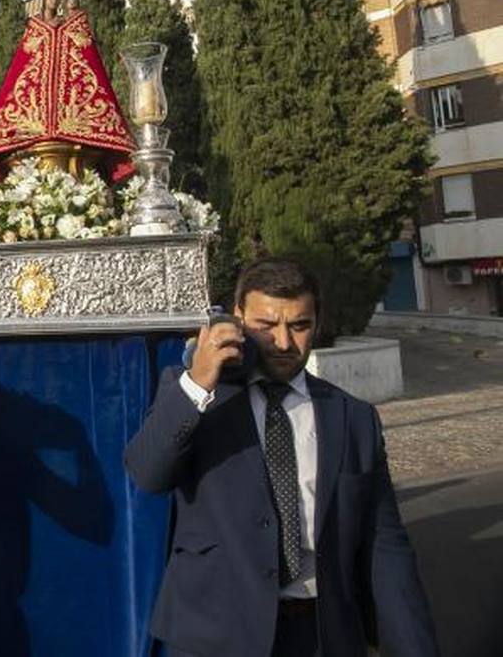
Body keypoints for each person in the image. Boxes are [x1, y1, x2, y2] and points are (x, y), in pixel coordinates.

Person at [124, 258, 438, 657]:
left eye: (299, 326)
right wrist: (198, 382)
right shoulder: (198, 397)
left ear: (317, 322)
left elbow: (386, 548)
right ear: (237, 319)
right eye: (266, 326)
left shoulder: (354, 418)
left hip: (324, 636)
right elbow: (147, 473)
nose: (284, 343)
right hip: (215, 637)